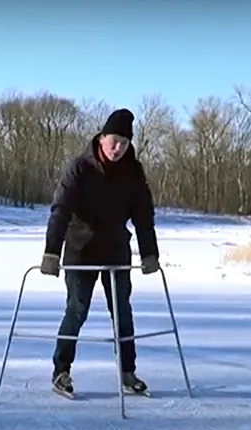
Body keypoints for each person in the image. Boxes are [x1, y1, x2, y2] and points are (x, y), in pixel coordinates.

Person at [39, 108, 160, 398]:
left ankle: (127, 372)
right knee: (77, 309)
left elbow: (144, 216)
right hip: (81, 249)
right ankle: (61, 371)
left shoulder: (133, 172)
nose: (117, 148)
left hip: (116, 249)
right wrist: (52, 252)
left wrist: (149, 253)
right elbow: (61, 210)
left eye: (124, 143)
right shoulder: (79, 167)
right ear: (102, 137)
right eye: (114, 141)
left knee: (122, 312)